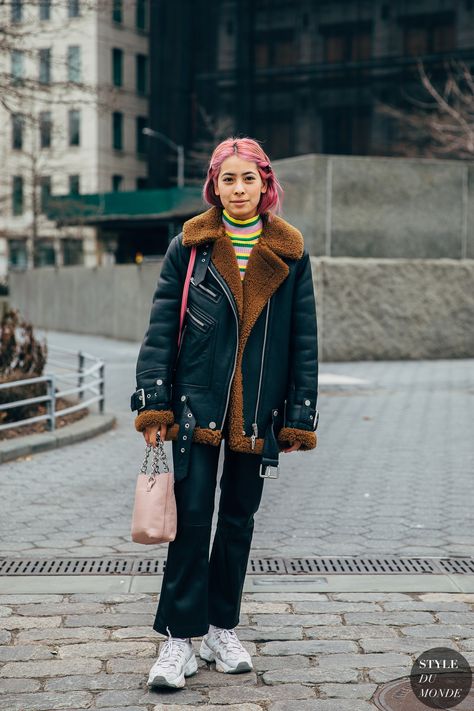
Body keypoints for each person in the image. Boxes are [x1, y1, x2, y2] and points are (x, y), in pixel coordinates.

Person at [130, 136, 319, 689]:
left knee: (237, 522)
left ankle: (219, 627)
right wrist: (154, 404)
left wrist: (299, 416)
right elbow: (161, 330)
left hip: (257, 412)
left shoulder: (290, 251)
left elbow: (303, 339)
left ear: (266, 185)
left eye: (249, 179)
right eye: (228, 180)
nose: (239, 189)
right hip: (194, 409)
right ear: (214, 185)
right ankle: (177, 641)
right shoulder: (187, 247)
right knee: (189, 523)